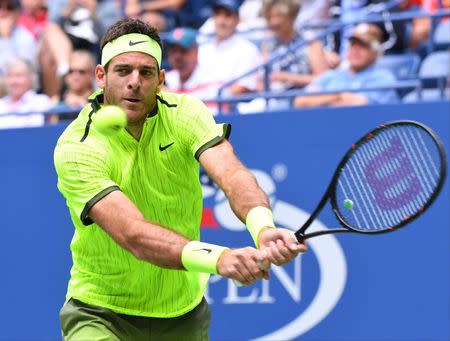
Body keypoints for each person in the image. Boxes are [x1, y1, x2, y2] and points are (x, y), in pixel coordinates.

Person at [54, 18, 306, 340]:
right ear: (101, 76)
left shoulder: (186, 114)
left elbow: (231, 173)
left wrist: (263, 226)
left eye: (146, 73)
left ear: (160, 79)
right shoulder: (77, 146)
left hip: (183, 312)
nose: (135, 82)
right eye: (123, 71)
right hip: (101, 310)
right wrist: (220, 258)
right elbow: (132, 233)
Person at [294, 23, 399, 108]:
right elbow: (300, 101)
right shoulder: (330, 76)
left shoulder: (383, 77)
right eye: (353, 44)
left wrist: (324, 99)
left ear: (375, 51)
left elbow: (360, 105)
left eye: (363, 45)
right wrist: (338, 97)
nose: (355, 50)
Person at [259, 0, 329, 108]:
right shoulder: (268, 43)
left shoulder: (309, 41)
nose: (273, 22)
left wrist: (288, 78)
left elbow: (324, 79)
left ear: (291, 16)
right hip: (272, 99)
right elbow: (261, 77)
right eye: (269, 17)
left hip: (304, 99)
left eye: (278, 16)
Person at [197, 0, 261, 98]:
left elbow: (242, 87)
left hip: (234, 108)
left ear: (237, 20)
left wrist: (205, 95)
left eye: (227, 15)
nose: (222, 21)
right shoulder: (203, 49)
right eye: (218, 15)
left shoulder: (248, 49)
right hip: (201, 105)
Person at [164, 27, 221, 114]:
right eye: (173, 51)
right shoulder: (164, 79)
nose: (177, 57)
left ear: (196, 52)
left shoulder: (212, 82)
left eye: (183, 51)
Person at [0, 57, 53, 129]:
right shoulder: (1, 104)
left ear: (31, 78)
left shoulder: (40, 101)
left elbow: (34, 128)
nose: (13, 81)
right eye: (9, 76)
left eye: (18, 75)